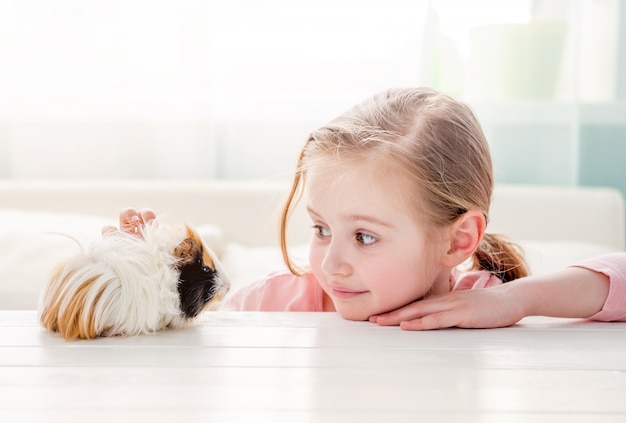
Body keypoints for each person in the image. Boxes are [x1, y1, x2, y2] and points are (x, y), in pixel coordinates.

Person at [110, 87, 626, 330]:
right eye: (320, 228)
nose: (331, 265)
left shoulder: (485, 304)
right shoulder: (279, 301)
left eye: (365, 237)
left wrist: (520, 301)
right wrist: (150, 273)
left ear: (458, 240)